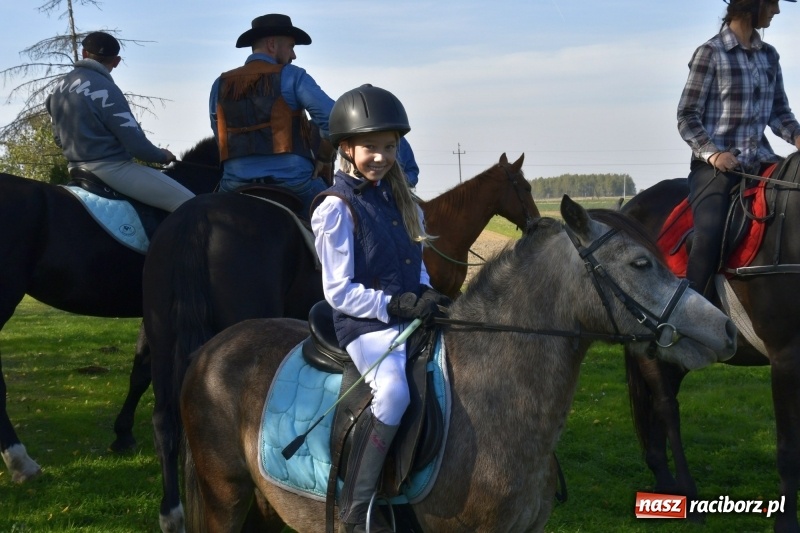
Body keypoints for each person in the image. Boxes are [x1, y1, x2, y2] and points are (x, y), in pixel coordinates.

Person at [310, 85, 448, 533]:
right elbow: (338, 291)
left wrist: (425, 292)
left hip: (406, 312)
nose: (381, 157)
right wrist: (393, 304)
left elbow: (415, 263)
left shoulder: (399, 199)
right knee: (393, 393)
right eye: (371, 147)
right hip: (365, 324)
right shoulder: (335, 208)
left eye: (389, 147)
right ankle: (358, 506)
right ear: (347, 149)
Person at [677, 0, 800, 299]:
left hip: (762, 163)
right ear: (750, 3)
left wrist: (797, 136)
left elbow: (780, 113)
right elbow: (687, 115)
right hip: (716, 169)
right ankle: (690, 313)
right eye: (772, 2)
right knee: (708, 233)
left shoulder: (769, 56)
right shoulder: (710, 53)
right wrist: (714, 154)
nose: (777, 11)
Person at [46, 32, 194, 212]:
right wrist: (161, 156)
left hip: (75, 169)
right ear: (116, 61)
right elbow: (136, 145)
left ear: (84, 54)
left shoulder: (57, 89)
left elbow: (58, 139)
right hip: (113, 170)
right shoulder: (106, 89)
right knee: (192, 206)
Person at [209, 13, 336, 218]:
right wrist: (324, 156)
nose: (293, 55)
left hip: (234, 182)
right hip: (295, 182)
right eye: (291, 46)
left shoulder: (220, 83)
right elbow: (333, 119)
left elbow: (218, 133)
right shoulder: (293, 75)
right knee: (340, 223)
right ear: (272, 44)